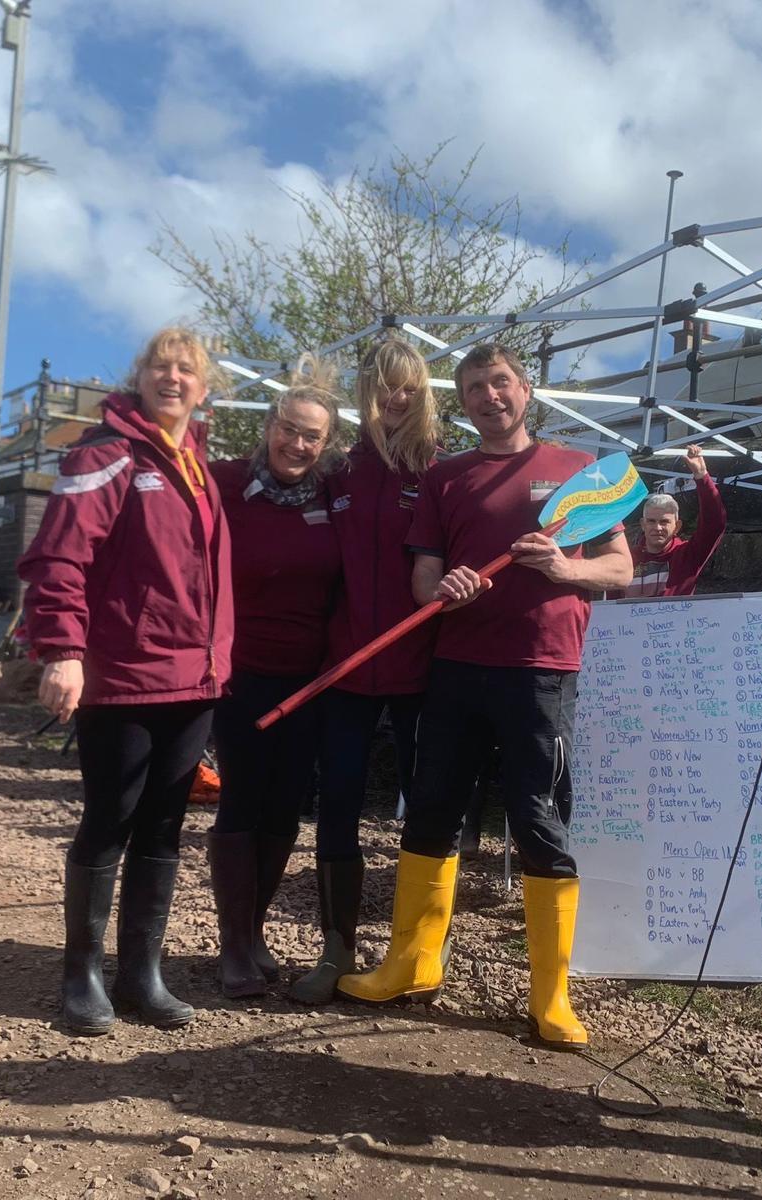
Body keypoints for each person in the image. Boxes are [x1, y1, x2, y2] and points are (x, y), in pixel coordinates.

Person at [336, 343, 633, 1050]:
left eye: (499, 383)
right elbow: (423, 579)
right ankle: (409, 965)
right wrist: (444, 590)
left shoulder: (578, 471)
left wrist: (564, 566)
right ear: (462, 401)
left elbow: (620, 569)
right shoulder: (446, 477)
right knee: (432, 809)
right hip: (458, 668)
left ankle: (550, 998)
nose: (488, 397)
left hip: (542, 671)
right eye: (473, 388)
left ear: (526, 389)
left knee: (538, 818)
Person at [18, 327, 233, 1036]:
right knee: (109, 818)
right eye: (160, 367)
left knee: (165, 823)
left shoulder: (197, 462)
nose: (172, 378)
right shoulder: (106, 454)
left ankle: (142, 971)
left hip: (193, 677)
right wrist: (62, 650)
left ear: (205, 388)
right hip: (124, 675)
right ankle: (82, 973)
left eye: (186, 370)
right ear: (139, 376)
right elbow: (59, 560)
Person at [291, 339, 440, 1004]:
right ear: (367, 390)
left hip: (419, 670)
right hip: (345, 668)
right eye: (386, 385)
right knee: (339, 806)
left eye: (409, 386)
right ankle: (336, 948)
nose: (396, 398)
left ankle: (415, 955)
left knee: (427, 814)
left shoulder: (436, 469)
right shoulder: (338, 470)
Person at [206, 360, 345, 999]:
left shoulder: (330, 496)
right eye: (288, 429)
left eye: (311, 436)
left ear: (326, 444)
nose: (297, 444)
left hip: (309, 681)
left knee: (286, 806)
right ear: (269, 426)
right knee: (242, 800)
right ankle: (233, 944)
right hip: (240, 673)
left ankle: (255, 930)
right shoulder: (226, 483)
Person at [609, 444, 725, 598]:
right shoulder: (627, 560)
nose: (657, 527)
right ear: (643, 524)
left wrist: (701, 476)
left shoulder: (689, 556)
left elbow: (714, 524)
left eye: (664, 522)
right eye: (651, 521)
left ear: (677, 526)